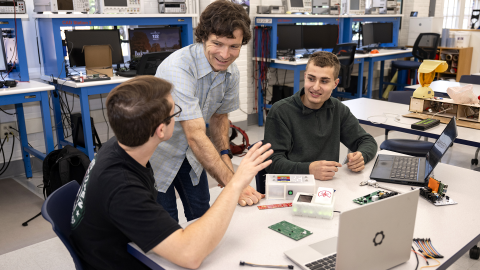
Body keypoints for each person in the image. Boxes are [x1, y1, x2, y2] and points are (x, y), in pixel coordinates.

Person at [70, 76, 273, 270]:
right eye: (175, 112)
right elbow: (190, 255)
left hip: (128, 245)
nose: (178, 116)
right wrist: (236, 183)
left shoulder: (118, 145)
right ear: (160, 130)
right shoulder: (123, 187)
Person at [152, 0, 258, 222]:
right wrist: (234, 184)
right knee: (165, 226)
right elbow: (196, 135)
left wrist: (226, 161)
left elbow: (220, 117)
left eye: (234, 46)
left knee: (203, 217)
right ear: (203, 38)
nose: (225, 54)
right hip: (157, 155)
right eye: (217, 43)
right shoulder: (179, 69)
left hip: (192, 155)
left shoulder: (231, 72)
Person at [263, 51, 378, 180]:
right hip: (291, 186)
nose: (316, 87)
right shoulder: (280, 111)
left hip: (329, 186)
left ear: (335, 84)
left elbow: (367, 141)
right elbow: (272, 162)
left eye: (324, 81)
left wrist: (361, 156)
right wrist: (308, 169)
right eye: (311, 79)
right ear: (305, 76)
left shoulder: (338, 109)